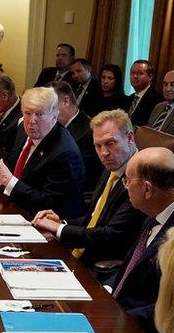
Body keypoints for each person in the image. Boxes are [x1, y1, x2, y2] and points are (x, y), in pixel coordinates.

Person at [105, 147, 174, 333]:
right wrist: (105, 290)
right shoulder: (158, 208)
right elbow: (130, 266)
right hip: (119, 312)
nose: (125, 187)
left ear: (148, 189)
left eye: (127, 181)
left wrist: (116, 319)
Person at [32, 110, 146, 268]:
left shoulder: (139, 180)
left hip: (100, 264)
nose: (104, 153)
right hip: (80, 251)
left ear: (129, 138)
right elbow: (94, 218)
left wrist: (61, 229)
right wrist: (62, 221)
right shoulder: (113, 166)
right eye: (98, 146)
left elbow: (110, 235)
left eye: (110, 143)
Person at [0, 87, 85, 218]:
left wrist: (9, 181)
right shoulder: (24, 131)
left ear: (54, 116)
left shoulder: (65, 153)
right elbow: (12, 168)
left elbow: (48, 203)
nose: (31, 121)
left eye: (39, 114)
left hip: (41, 223)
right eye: (27, 113)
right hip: (13, 207)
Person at [49, 80, 101, 192]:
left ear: (66, 101)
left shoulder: (89, 132)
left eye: (51, 107)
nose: (47, 112)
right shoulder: (52, 126)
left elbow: (77, 177)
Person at [126, 60, 162, 126]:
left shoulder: (156, 100)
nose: (135, 76)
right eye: (133, 73)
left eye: (140, 73)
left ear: (150, 77)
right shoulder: (129, 98)